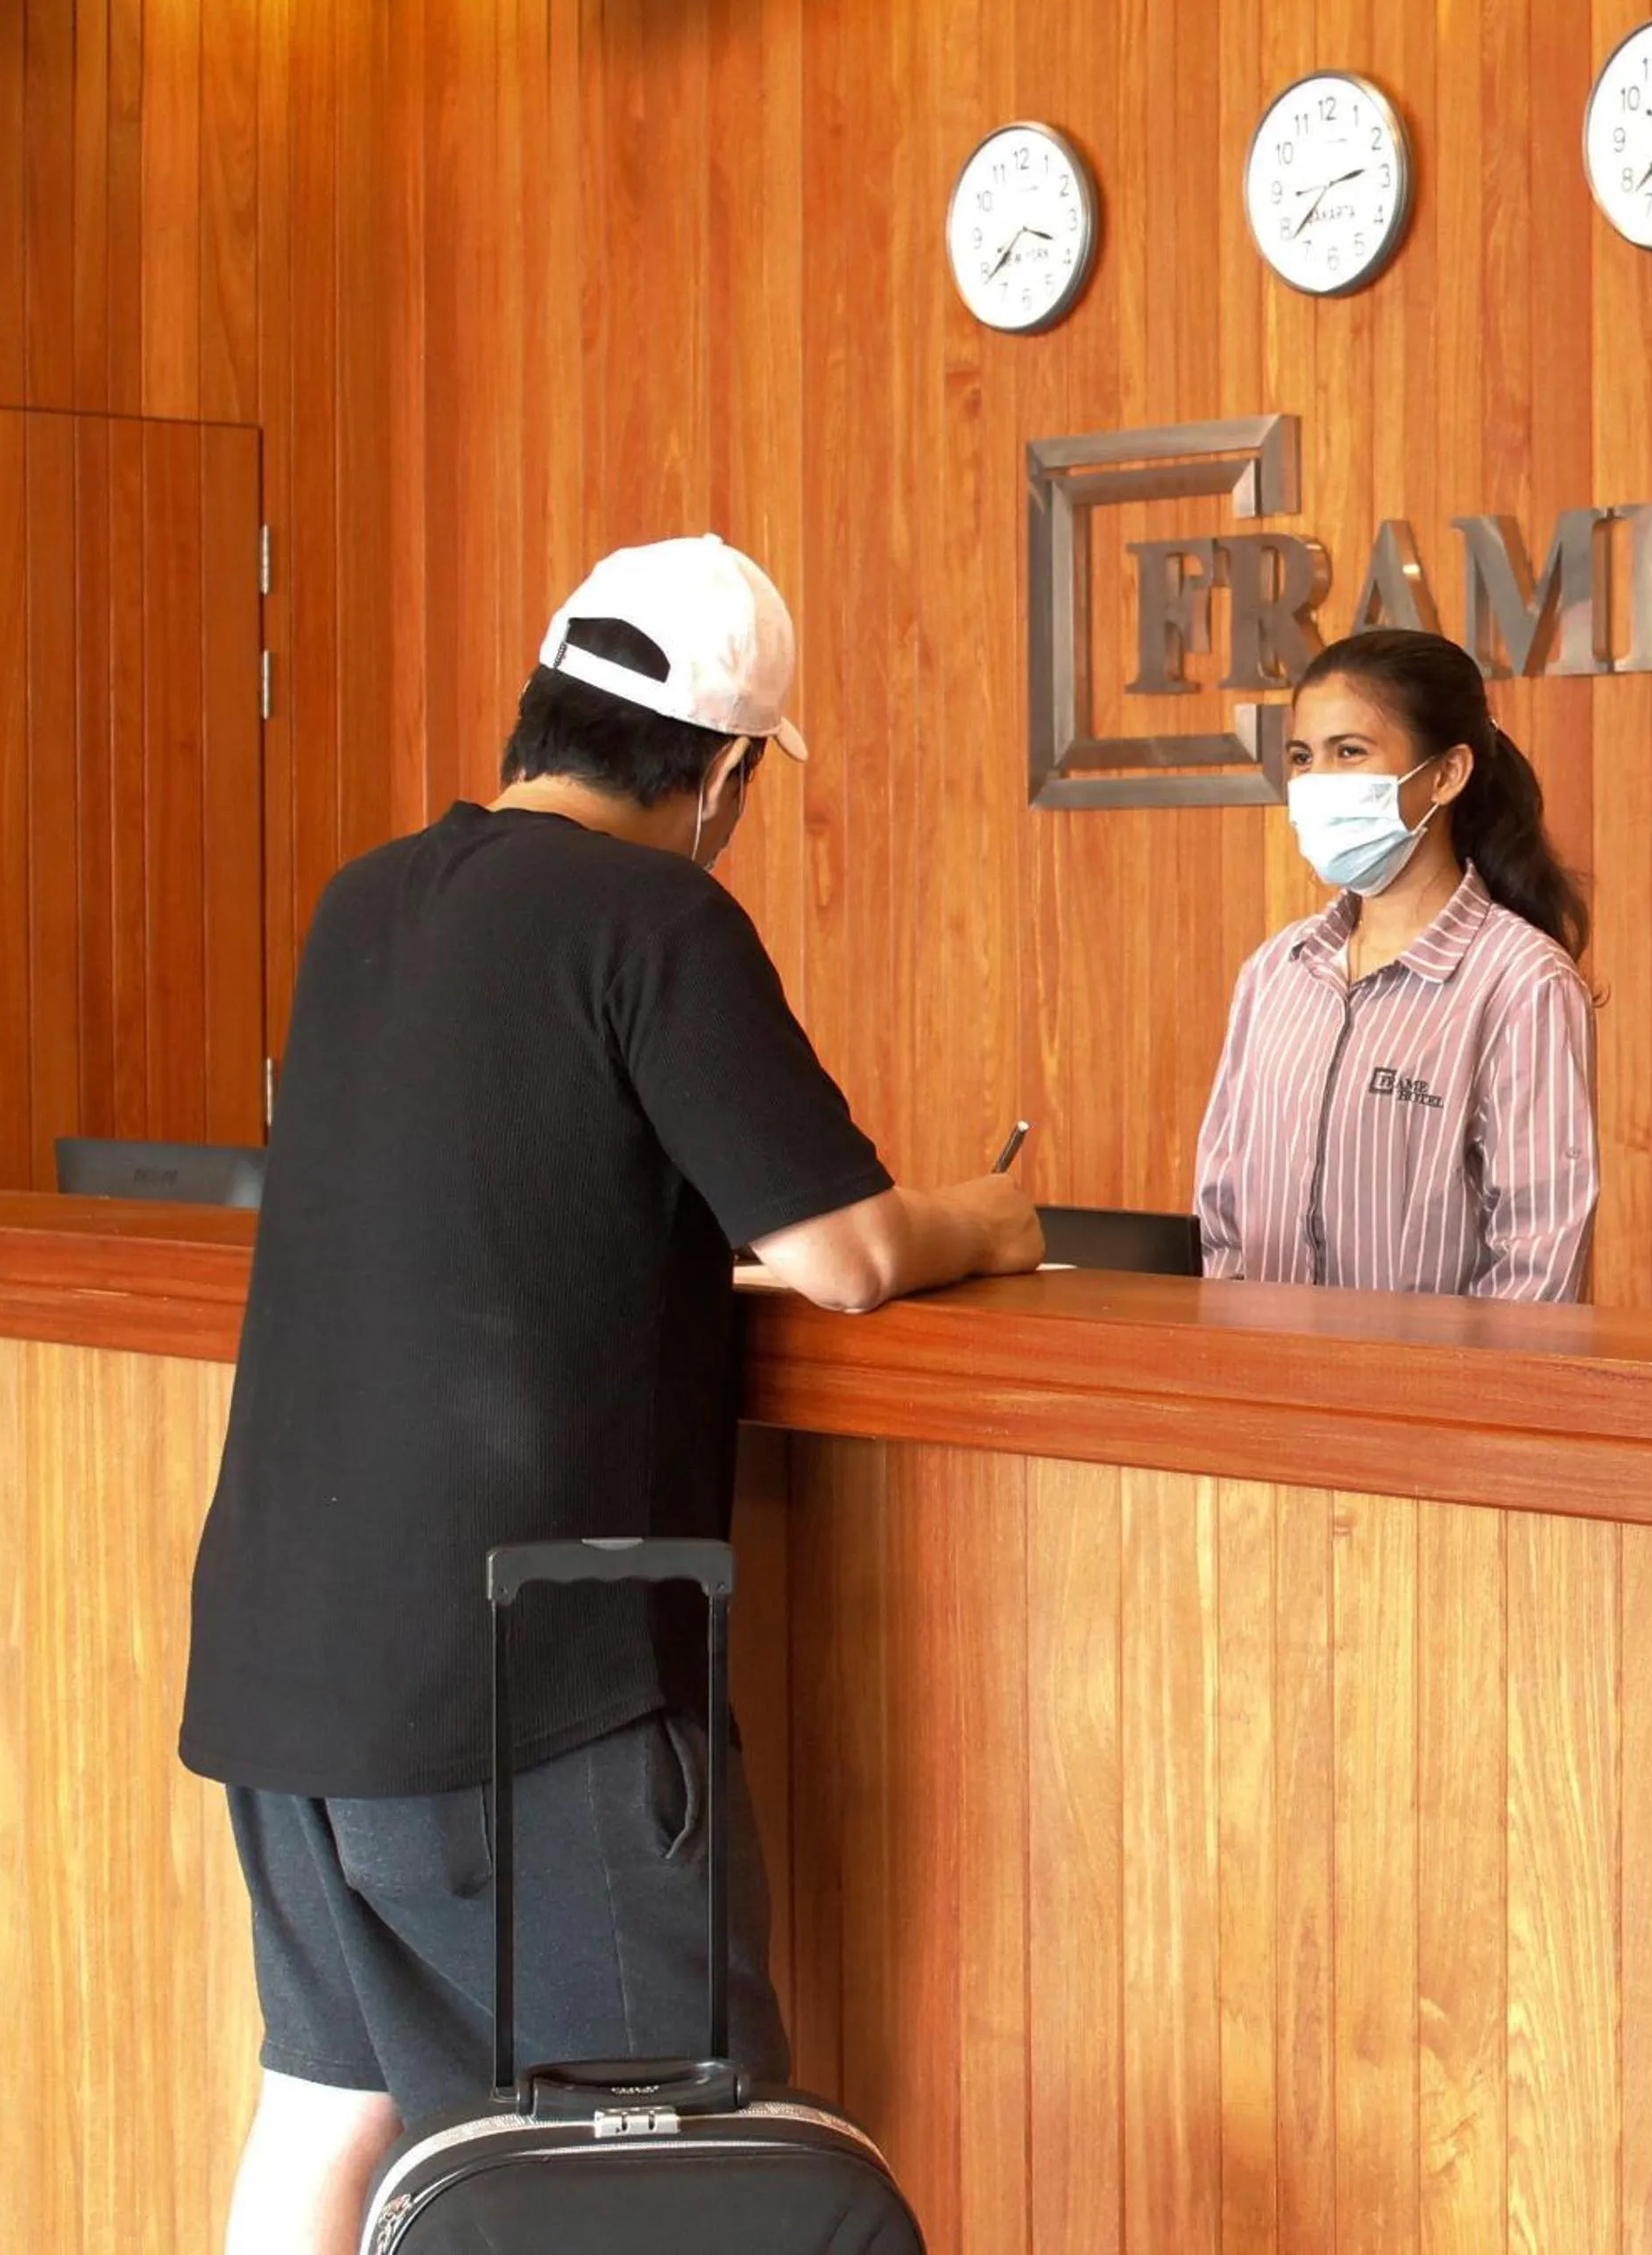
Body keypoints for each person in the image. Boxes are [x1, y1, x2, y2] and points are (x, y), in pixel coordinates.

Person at [178, 535, 1043, 2255]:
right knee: (655, 2170)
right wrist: (994, 1216)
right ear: (722, 772)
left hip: (285, 1657)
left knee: (327, 2115)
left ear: (548, 697)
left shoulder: (366, 899)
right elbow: (842, 1252)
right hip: (524, 1672)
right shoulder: (654, 915)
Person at [1193, 626, 1597, 1299]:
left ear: (1446, 773)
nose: (1317, 783)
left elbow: (1538, 1260)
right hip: (1259, 1386)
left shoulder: (1521, 980)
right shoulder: (1274, 971)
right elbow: (1221, 1214)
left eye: (1348, 752)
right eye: (1302, 757)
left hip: (1426, 1397)